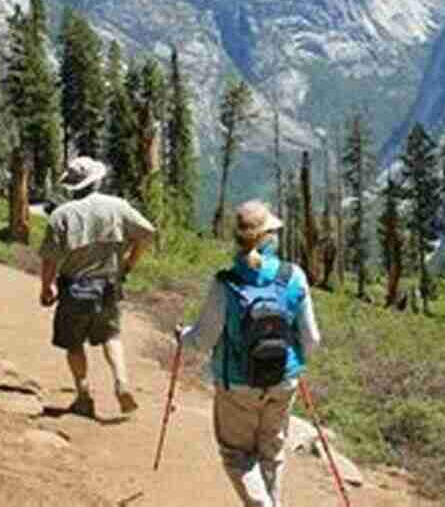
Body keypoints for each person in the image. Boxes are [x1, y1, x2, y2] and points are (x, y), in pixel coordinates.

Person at [176, 201, 321, 507]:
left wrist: (182, 337)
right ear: (269, 236)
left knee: (236, 455)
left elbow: (202, 340)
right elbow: (312, 338)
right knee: (273, 454)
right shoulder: (293, 275)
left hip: (237, 386)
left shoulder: (225, 283)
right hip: (284, 380)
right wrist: (297, 363)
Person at [38, 156, 155, 418]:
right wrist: (129, 262)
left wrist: (47, 288)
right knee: (110, 336)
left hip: (74, 286)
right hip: (108, 284)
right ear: (97, 181)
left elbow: (49, 259)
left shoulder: (61, 215)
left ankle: (83, 395)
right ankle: (121, 382)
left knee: (73, 342)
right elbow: (147, 232)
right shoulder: (118, 206)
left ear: (72, 186)